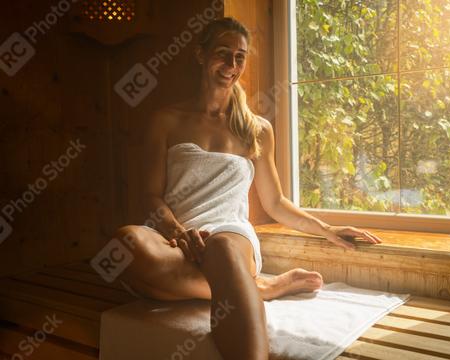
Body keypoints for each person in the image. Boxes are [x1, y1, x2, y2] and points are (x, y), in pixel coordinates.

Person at [113, 17, 382, 360]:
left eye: (240, 57)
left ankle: (238, 288)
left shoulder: (257, 129)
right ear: (200, 54)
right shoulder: (165, 120)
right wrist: (177, 232)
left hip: (231, 236)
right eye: (222, 54)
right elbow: (149, 195)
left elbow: (275, 201)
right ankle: (262, 288)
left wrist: (326, 229)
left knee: (221, 248)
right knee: (125, 243)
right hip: (180, 240)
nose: (231, 65)